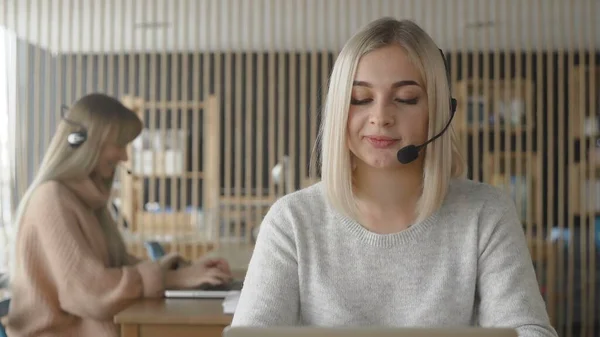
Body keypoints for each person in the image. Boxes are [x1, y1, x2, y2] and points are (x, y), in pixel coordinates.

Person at [231, 18, 558, 337]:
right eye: (361, 99)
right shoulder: (291, 221)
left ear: (438, 112)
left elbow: (529, 330)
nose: (381, 117)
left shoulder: (486, 212)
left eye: (405, 99)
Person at [3, 93, 233, 337]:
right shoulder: (51, 199)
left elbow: (113, 266)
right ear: (83, 142)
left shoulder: (87, 202)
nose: (124, 157)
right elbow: (89, 291)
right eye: (119, 144)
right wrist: (173, 280)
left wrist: (176, 269)